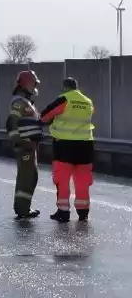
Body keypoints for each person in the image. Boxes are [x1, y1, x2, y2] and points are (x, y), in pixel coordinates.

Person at [40, 77, 95, 222]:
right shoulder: (88, 101)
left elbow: (45, 116)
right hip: (85, 145)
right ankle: (83, 213)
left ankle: (63, 212)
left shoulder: (64, 99)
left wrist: (43, 121)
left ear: (65, 87)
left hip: (64, 145)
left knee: (62, 179)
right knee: (83, 180)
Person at [5, 70, 44, 220]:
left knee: (31, 176)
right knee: (26, 177)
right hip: (25, 146)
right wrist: (20, 141)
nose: (35, 87)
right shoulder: (18, 102)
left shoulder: (27, 102)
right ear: (27, 83)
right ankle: (22, 209)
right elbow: (11, 122)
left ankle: (24, 207)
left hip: (31, 146)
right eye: (33, 83)